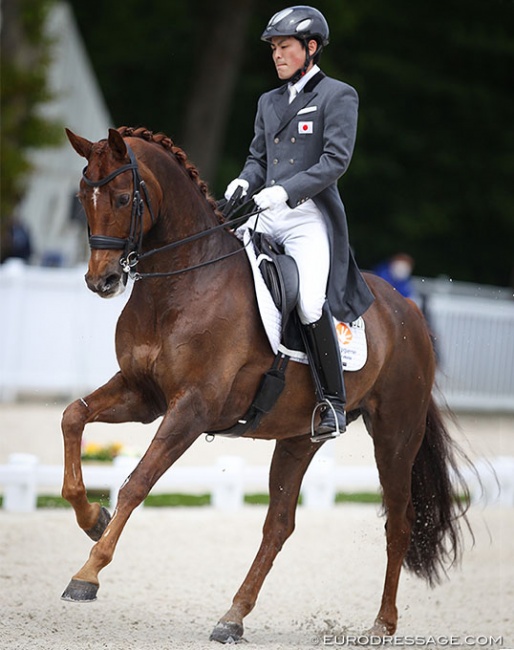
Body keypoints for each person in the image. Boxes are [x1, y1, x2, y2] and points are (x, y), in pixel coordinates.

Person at [224, 6, 374, 441]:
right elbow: (257, 159)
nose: (277, 55)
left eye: (284, 46)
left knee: (309, 301)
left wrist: (286, 191)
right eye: (273, 48)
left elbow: (335, 161)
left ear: (310, 48)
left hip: (307, 216)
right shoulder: (267, 102)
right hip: (265, 212)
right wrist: (242, 181)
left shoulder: (337, 95)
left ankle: (333, 401)